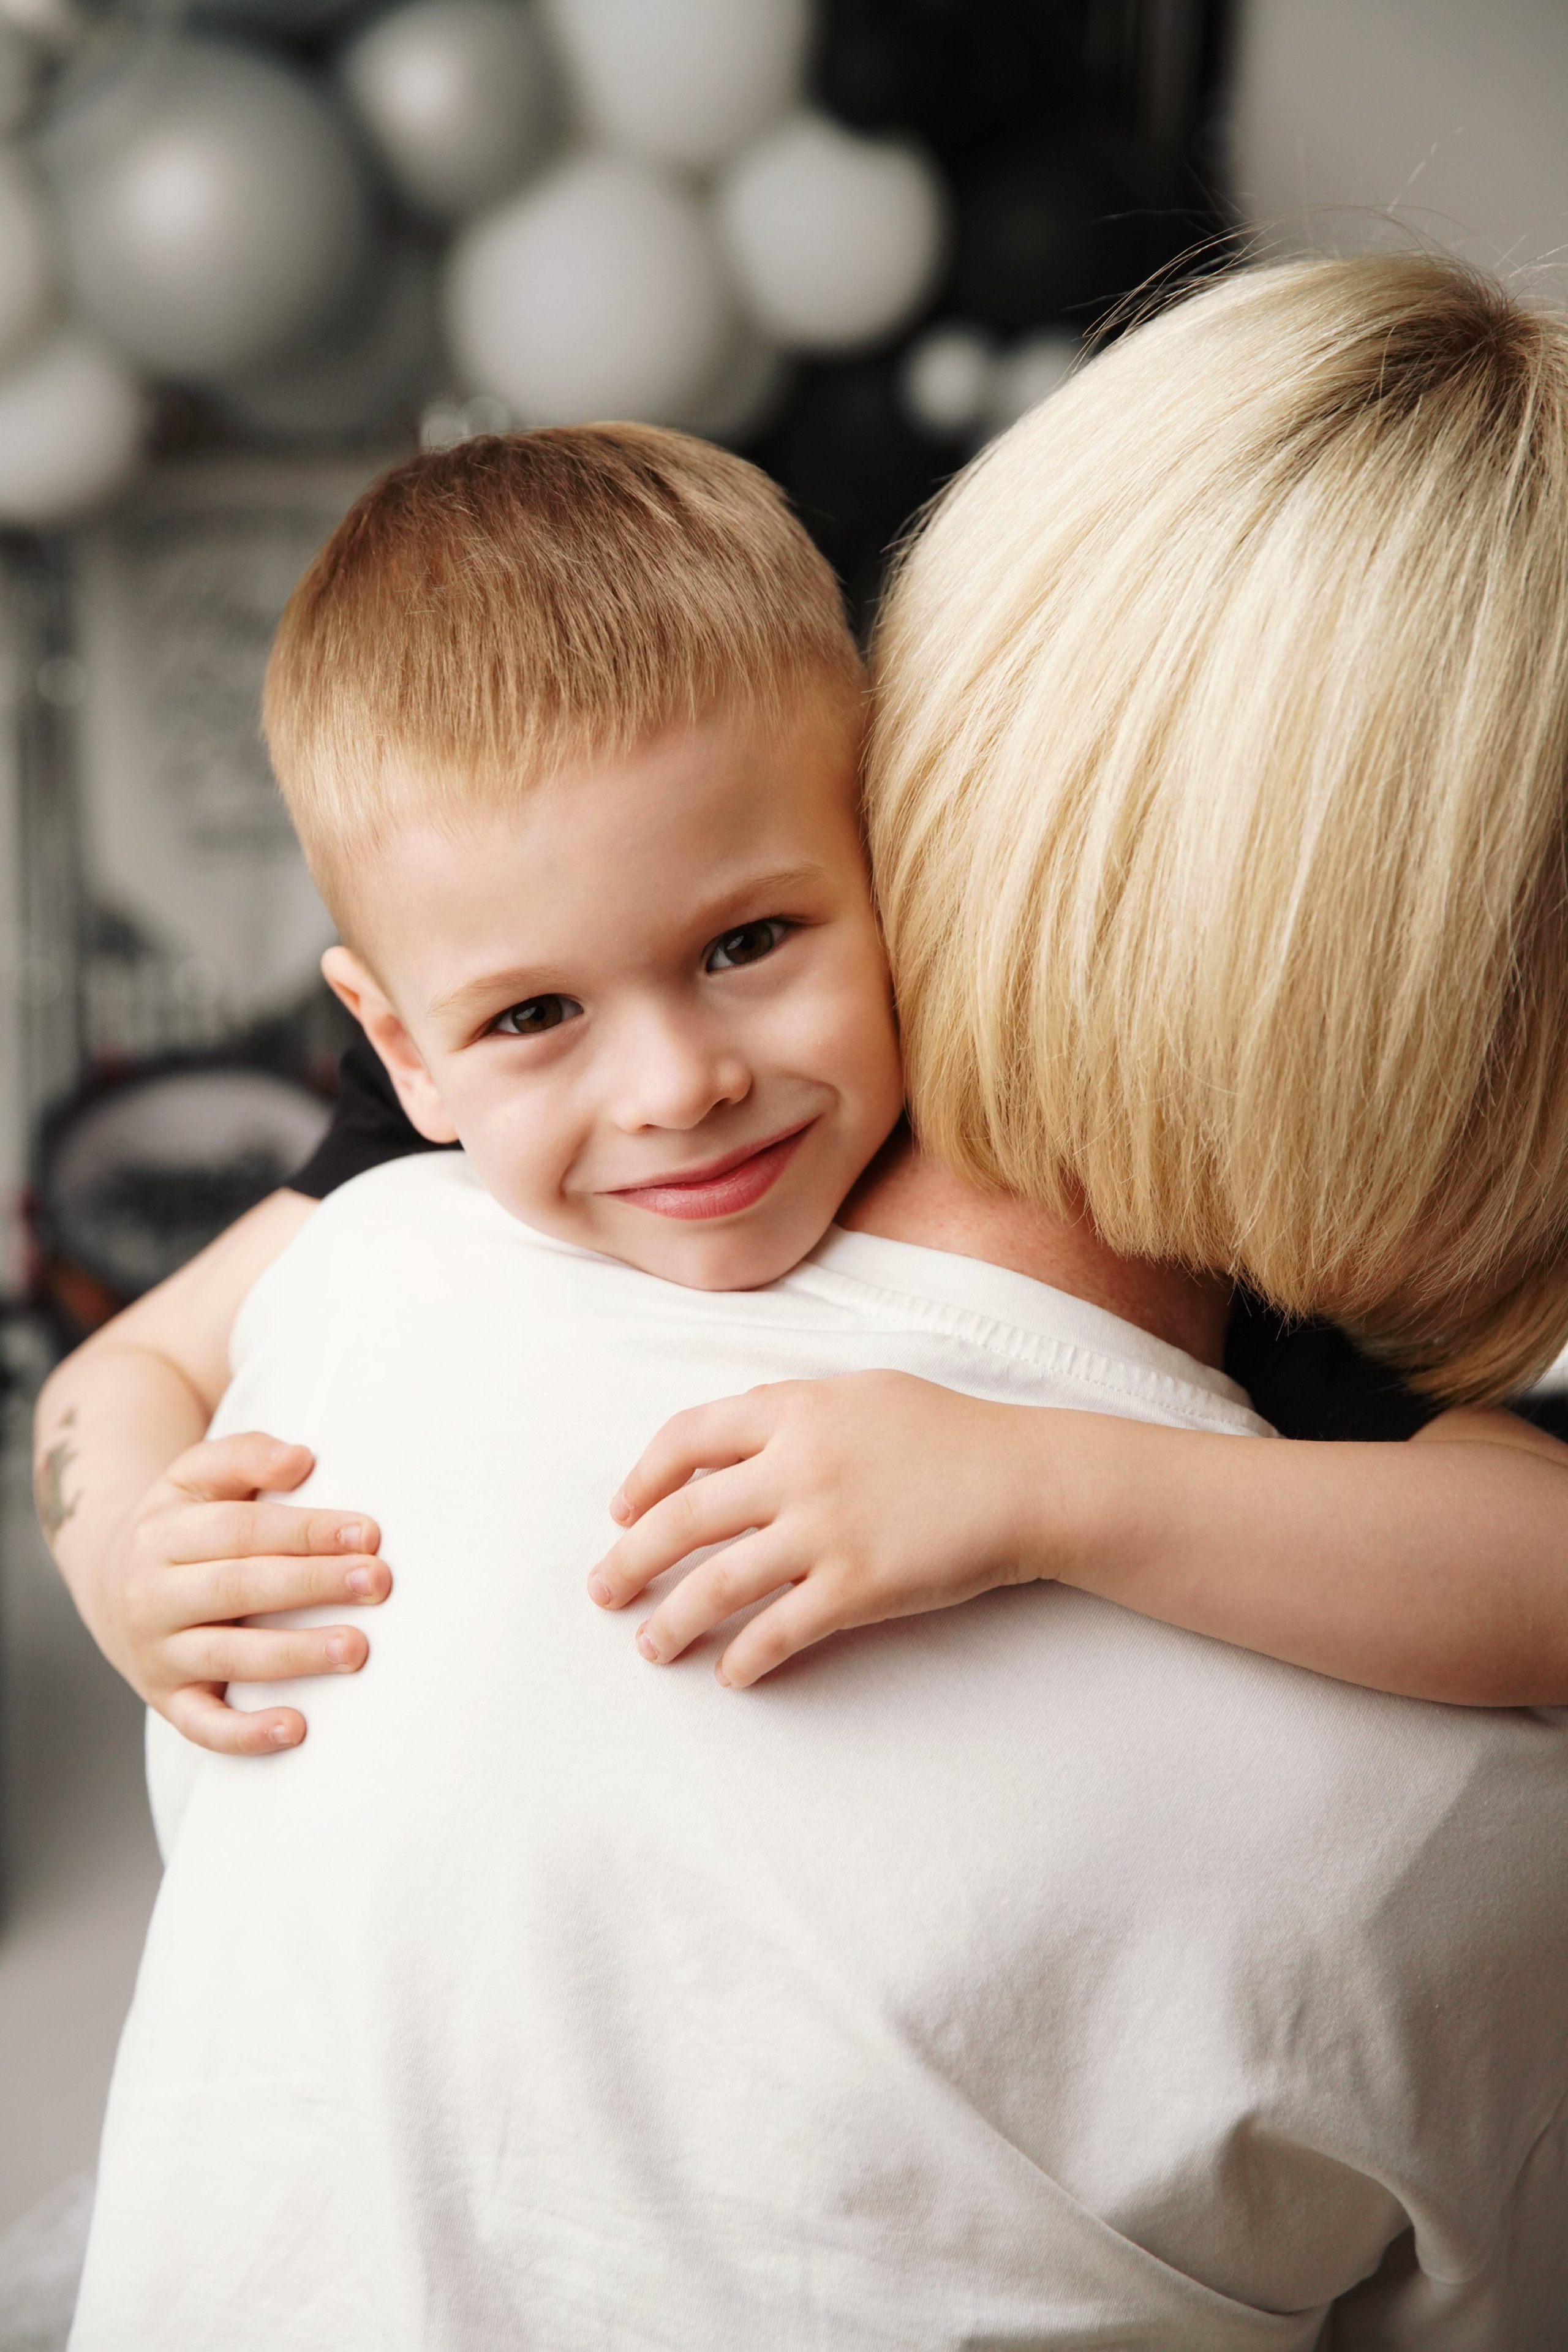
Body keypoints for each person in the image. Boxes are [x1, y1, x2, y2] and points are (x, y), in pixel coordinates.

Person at [67, 255, 1568, 2347]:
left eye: (758, 940)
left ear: (889, 809)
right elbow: (132, 1363)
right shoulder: (398, 1216)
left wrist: (1041, 1488)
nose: (673, 1084)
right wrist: (126, 1528)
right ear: (402, 1050)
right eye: (530, 1019)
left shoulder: (392, 1279)